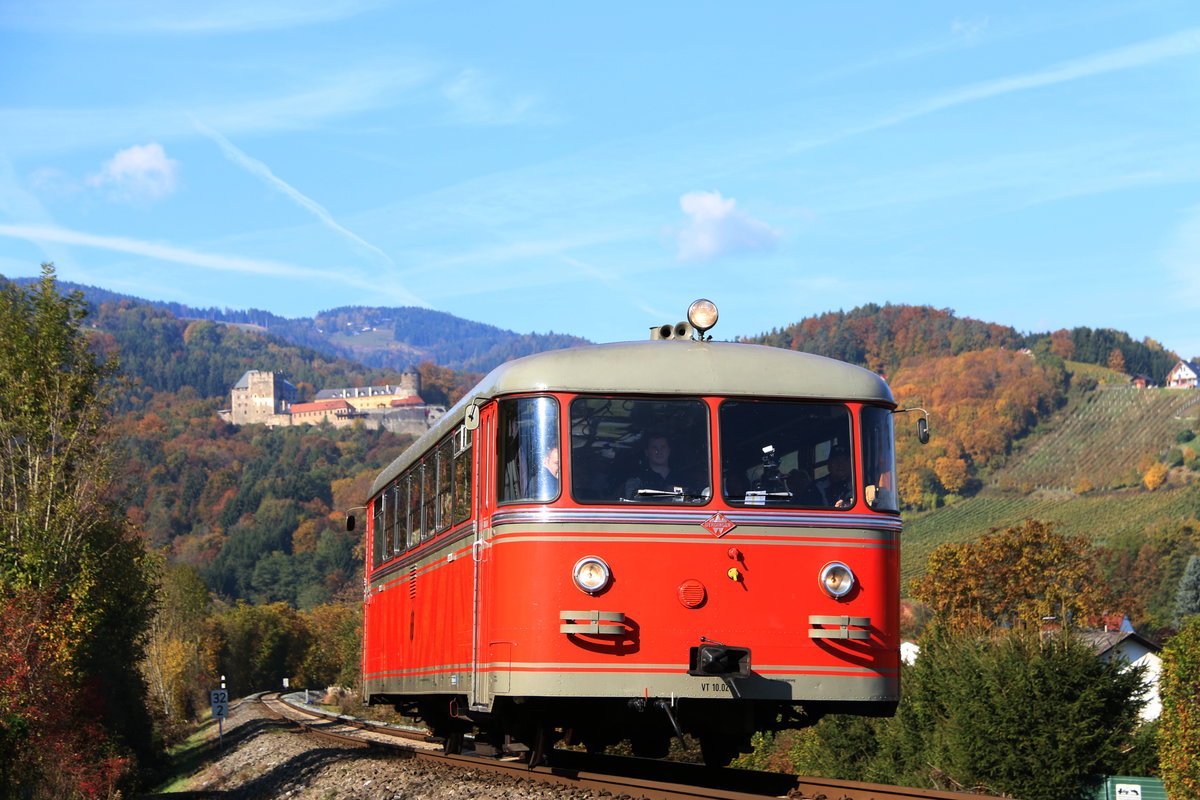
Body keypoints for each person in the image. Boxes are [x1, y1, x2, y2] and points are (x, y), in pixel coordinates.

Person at [623, 433, 699, 499]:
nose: (659, 452)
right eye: (654, 447)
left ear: (669, 451)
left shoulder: (682, 479)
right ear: (647, 452)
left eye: (663, 447)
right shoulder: (637, 480)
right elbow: (632, 503)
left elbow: (694, 500)